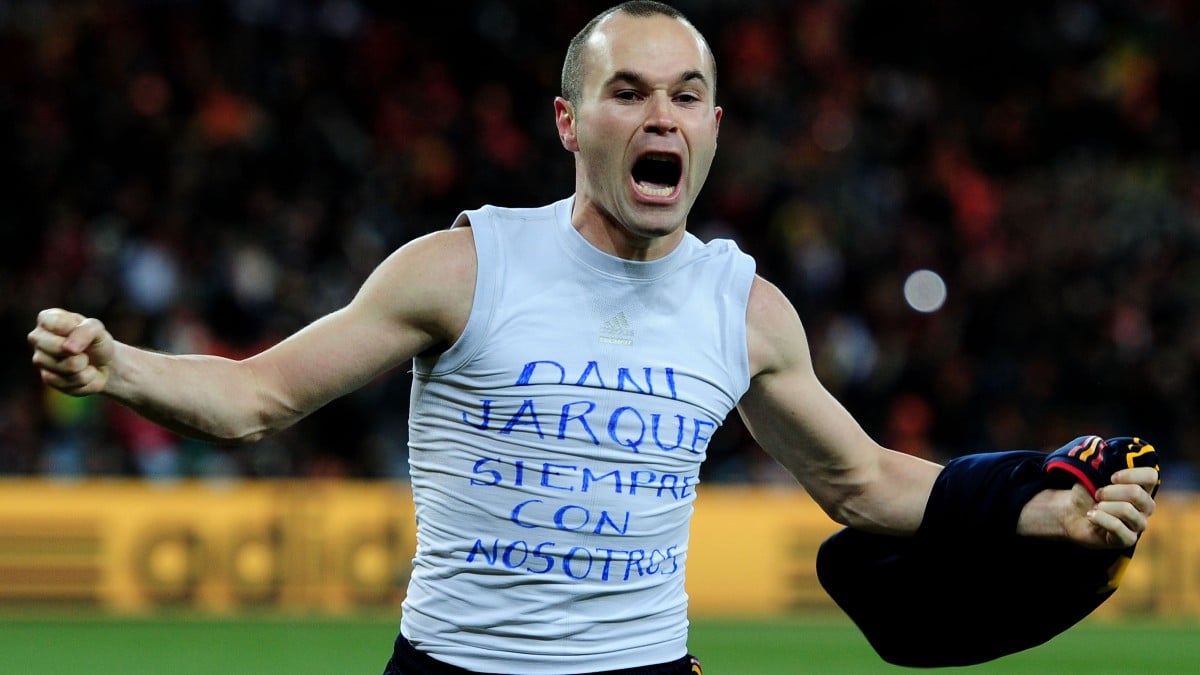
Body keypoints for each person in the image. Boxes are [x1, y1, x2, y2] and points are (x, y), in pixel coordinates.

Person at [28, 2, 1158, 674]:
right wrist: (118, 365)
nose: (661, 114)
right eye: (628, 91)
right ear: (572, 122)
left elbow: (862, 483)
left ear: (714, 124)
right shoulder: (463, 267)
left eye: (687, 93)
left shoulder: (746, 308)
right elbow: (258, 399)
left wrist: (1036, 507)